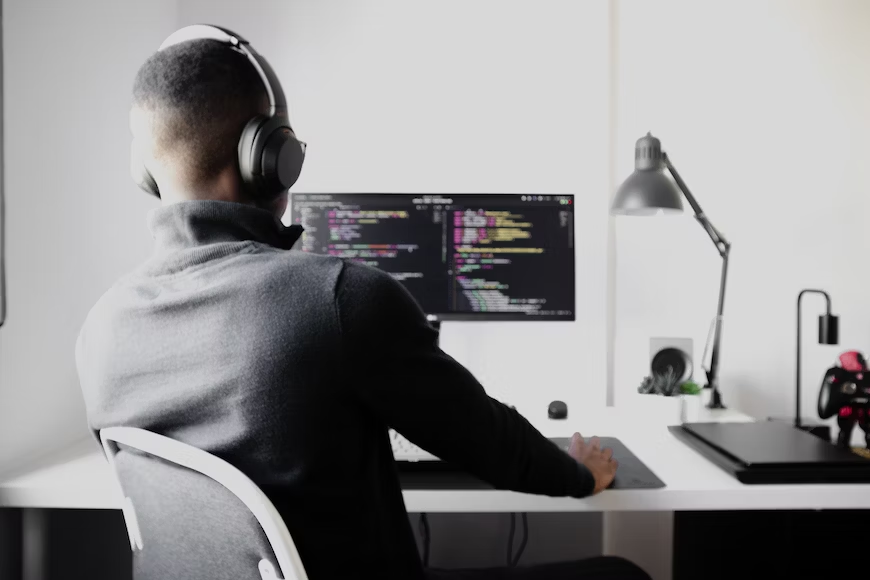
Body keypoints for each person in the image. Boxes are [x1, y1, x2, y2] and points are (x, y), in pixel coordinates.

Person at [75, 30, 650, 580]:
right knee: (621, 573)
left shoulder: (99, 332)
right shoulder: (339, 297)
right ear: (270, 157)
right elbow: (490, 442)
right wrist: (579, 472)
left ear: (146, 170)